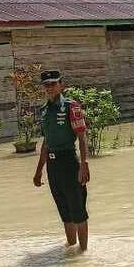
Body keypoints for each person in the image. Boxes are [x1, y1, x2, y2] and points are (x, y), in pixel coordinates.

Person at [33, 69, 91, 251]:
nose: (49, 88)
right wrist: (38, 170)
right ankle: (71, 248)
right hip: (53, 165)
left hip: (69, 163)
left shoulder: (71, 107)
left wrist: (84, 164)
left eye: (53, 84)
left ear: (61, 85)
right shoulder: (44, 111)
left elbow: (81, 137)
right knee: (64, 210)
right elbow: (46, 142)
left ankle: (83, 255)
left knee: (78, 210)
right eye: (46, 85)